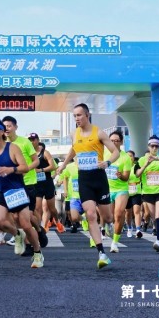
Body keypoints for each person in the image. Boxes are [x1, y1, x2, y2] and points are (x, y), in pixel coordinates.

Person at [56, 103, 119, 268]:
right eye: (74, 116)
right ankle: (101, 253)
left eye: (79, 115)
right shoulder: (74, 134)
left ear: (87, 115)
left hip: (99, 178)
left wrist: (107, 162)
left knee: (107, 217)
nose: (77, 118)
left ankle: (109, 224)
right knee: (90, 214)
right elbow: (74, 149)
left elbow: (115, 152)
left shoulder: (99, 132)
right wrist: (63, 165)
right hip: (84, 180)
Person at [0, 118, 43, 268]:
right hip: (1, 191)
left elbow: (25, 167)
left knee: (26, 224)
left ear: (1, 132)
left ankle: (37, 252)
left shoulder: (13, 148)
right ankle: (17, 234)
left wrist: (11, 169)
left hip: (16, 190)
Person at [135, 135, 159, 252]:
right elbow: (137, 174)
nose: (154, 148)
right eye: (152, 146)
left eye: (157, 146)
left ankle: (158, 241)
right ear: (148, 146)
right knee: (154, 218)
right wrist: (146, 164)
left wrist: (156, 158)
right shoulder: (141, 159)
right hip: (148, 192)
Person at [29, 133, 63, 234]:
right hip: (36, 184)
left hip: (47, 183)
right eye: (30, 140)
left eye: (33, 140)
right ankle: (40, 228)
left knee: (52, 208)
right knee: (37, 208)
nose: (31, 142)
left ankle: (57, 221)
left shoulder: (45, 153)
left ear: (38, 140)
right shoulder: (29, 154)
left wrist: (41, 170)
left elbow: (53, 166)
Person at [104, 130, 132, 253]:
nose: (114, 143)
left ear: (121, 142)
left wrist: (121, 176)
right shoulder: (104, 154)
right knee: (109, 217)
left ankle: (115, 243)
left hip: (121, 189)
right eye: (112, 141)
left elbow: (126, 177)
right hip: (107, 189)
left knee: (119, 214)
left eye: (117, 141)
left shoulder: (125, 157)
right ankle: (108, 225)